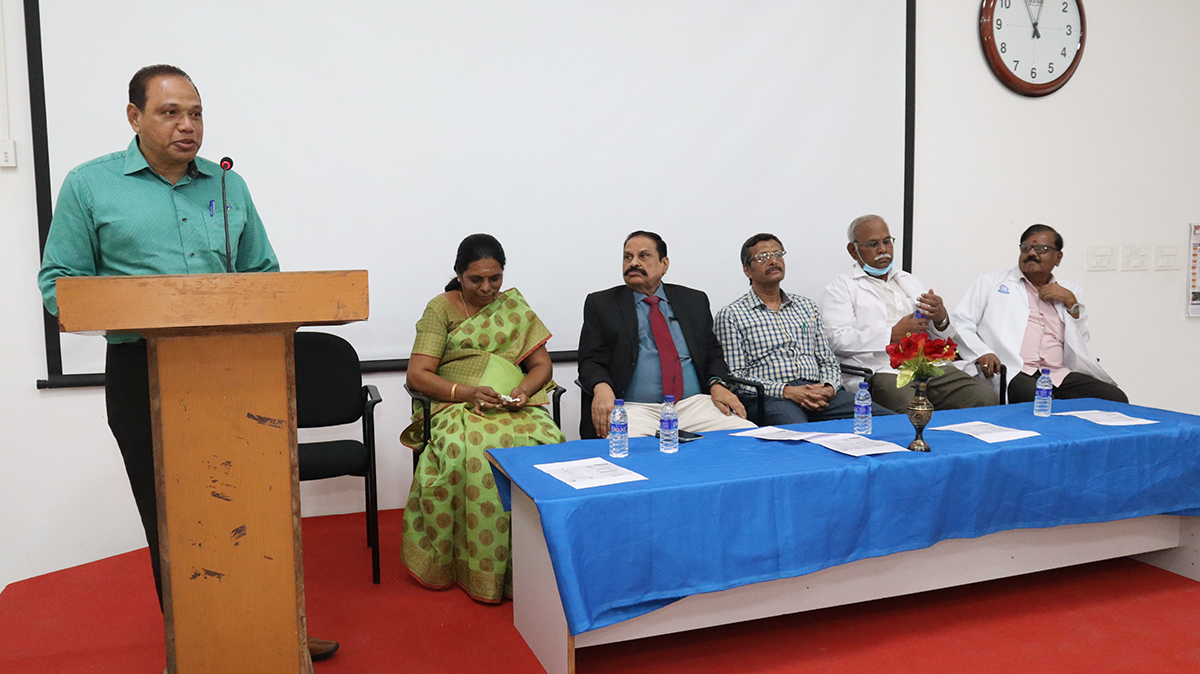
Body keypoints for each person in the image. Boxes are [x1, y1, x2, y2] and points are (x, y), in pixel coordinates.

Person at [36, 65, 339, 662]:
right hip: (143, 372)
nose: (187, 126)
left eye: (195, 113)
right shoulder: (89, 185)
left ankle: (273, 633)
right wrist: (145, 306)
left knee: (255, 508)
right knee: (175, 521)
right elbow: (59, 285)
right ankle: (201, 647)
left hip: (240, 372)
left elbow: (264, 277)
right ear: (134, 117)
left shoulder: (228, 185)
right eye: (170, 112)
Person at [401, 233, 565, 602]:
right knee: (472, 450)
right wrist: (469, 393)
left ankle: (533, 565)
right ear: (459, 275)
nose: (487, 288)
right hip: (456, 405)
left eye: (495, 278)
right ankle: (471, 566)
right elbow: (418, 375)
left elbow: (542, 366)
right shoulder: (440, 309)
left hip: (513, 406)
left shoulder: (514, 308)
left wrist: (524, 391)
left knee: (547, 443)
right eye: (476, 279)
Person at [578, 231, 755, 438]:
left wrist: (717, 384)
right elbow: (591, 360)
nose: (633, 263)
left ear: (664, 264)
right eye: (627, 257)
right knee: (623, 448)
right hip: (634, 408)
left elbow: (712, 353)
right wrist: (601, 387)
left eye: (643, 256)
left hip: (693, 405)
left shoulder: (693, 300)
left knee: (748, 437)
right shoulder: (602, 304)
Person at [820, 215, 997, 411]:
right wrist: (891, 335)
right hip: (882, 370)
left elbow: (941, 336)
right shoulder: (841, 287)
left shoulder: (908, 281)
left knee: (983, 398)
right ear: (853, 250)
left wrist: (940, 319)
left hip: (925, 364)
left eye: (887, 241)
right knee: (910, 407)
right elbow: (836, 340)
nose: (883, 249)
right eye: (873, 244)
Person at [715, 233, 892, 425]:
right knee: (800, 434)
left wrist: (828, 388)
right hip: (772, 398)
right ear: (747, 270)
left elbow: (828, 361)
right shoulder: (731, 315)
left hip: (818, 392)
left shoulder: (807, 307)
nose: (773, 261)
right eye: (763, 257)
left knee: (891, 421)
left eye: (778, 254)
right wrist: (787, 391)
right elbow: (736, 377)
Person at [953, 224, 1127, 403]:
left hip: (1057, 373)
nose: (1032, 253)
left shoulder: (1069, 291)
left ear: (1058, 257)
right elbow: (961, 323)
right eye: (1026, 248)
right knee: (1040, 400)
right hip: (1015, 371)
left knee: (1114, 398)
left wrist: (1071, 302)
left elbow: (1081, 342)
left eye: (1041, 249)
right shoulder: (991, 282)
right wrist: (982, 353)